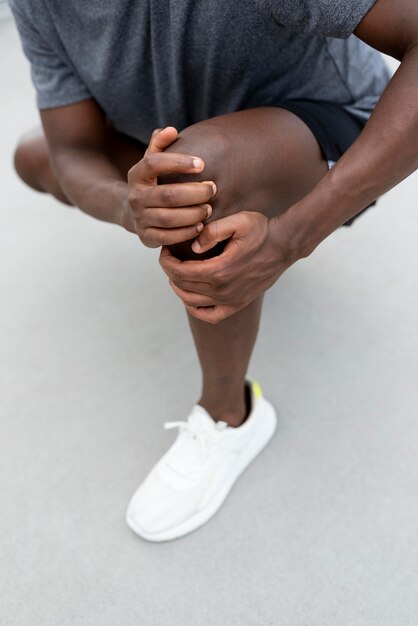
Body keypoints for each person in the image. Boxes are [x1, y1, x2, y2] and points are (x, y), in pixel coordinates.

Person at [9, 0, 418, 542]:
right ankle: (201, 208)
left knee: (195, 174)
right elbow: (73, 147)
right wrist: (131, 207)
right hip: (177, 122)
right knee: (35, 158)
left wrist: (290, 239)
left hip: (331, 126)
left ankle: (232, 417)